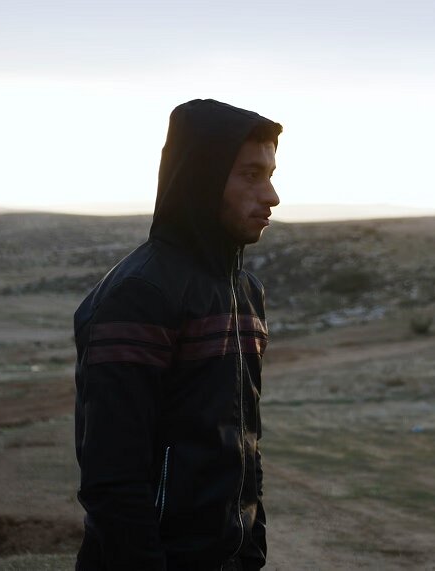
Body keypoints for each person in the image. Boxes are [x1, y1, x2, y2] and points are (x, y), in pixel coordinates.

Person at [73, 99, 282, 570]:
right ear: (202, 178)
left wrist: (252, 549)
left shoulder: (245, 291)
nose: (271, 196)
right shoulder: (140, 294)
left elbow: (245, 443)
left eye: (270, 174)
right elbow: (112, 478)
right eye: (251, 175)